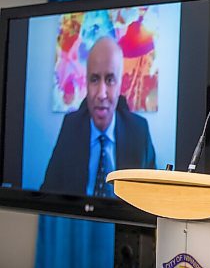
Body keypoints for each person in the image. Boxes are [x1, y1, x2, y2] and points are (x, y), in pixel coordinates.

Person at [41, 37, 156, 197]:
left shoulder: (139, 131)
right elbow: (48, 192)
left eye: (110, 80)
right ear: (86, 83)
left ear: (120, 85)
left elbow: (153, 198)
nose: (101, 94)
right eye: (94, 79)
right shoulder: (71, 126)